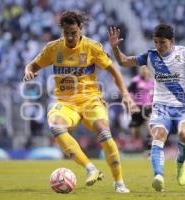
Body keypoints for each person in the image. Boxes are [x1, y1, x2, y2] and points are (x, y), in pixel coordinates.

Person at [23, 11, 137, 193]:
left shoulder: (92, 47)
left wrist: (125, 94)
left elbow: (113, 71)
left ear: (80, 29)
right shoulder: (53, 48)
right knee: (55, 126)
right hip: (66, 102)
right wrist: (28, 71)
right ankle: (90, 168)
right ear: (62, 30)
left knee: (104, 133)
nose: (69, 37)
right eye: (66, 33)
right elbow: (32, 65)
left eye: (73, 33)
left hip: (90, 99)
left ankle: (119, 182)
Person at [108, 23, 185, 192]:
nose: (158, 46)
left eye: (162, 42)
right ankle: (158, 176)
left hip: (184, 106)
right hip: (161, 106)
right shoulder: (150, 56)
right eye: (155, 42)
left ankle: (180, 162)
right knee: (158, 136)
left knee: (184, 135)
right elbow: (124, 61)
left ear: (172, 41)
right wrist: (115, 48)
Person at [128, 66, 154, 151]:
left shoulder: (151, 82)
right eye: (142, 70)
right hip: (137, 107)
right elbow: (130, 93)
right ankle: (139, 144)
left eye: (146, 70)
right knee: (136, 131)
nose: (144, 71)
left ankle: (150, 146)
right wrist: (131, 105)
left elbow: (153, 95)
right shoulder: (135, 81)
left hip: (147, 106)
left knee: (148, 124)